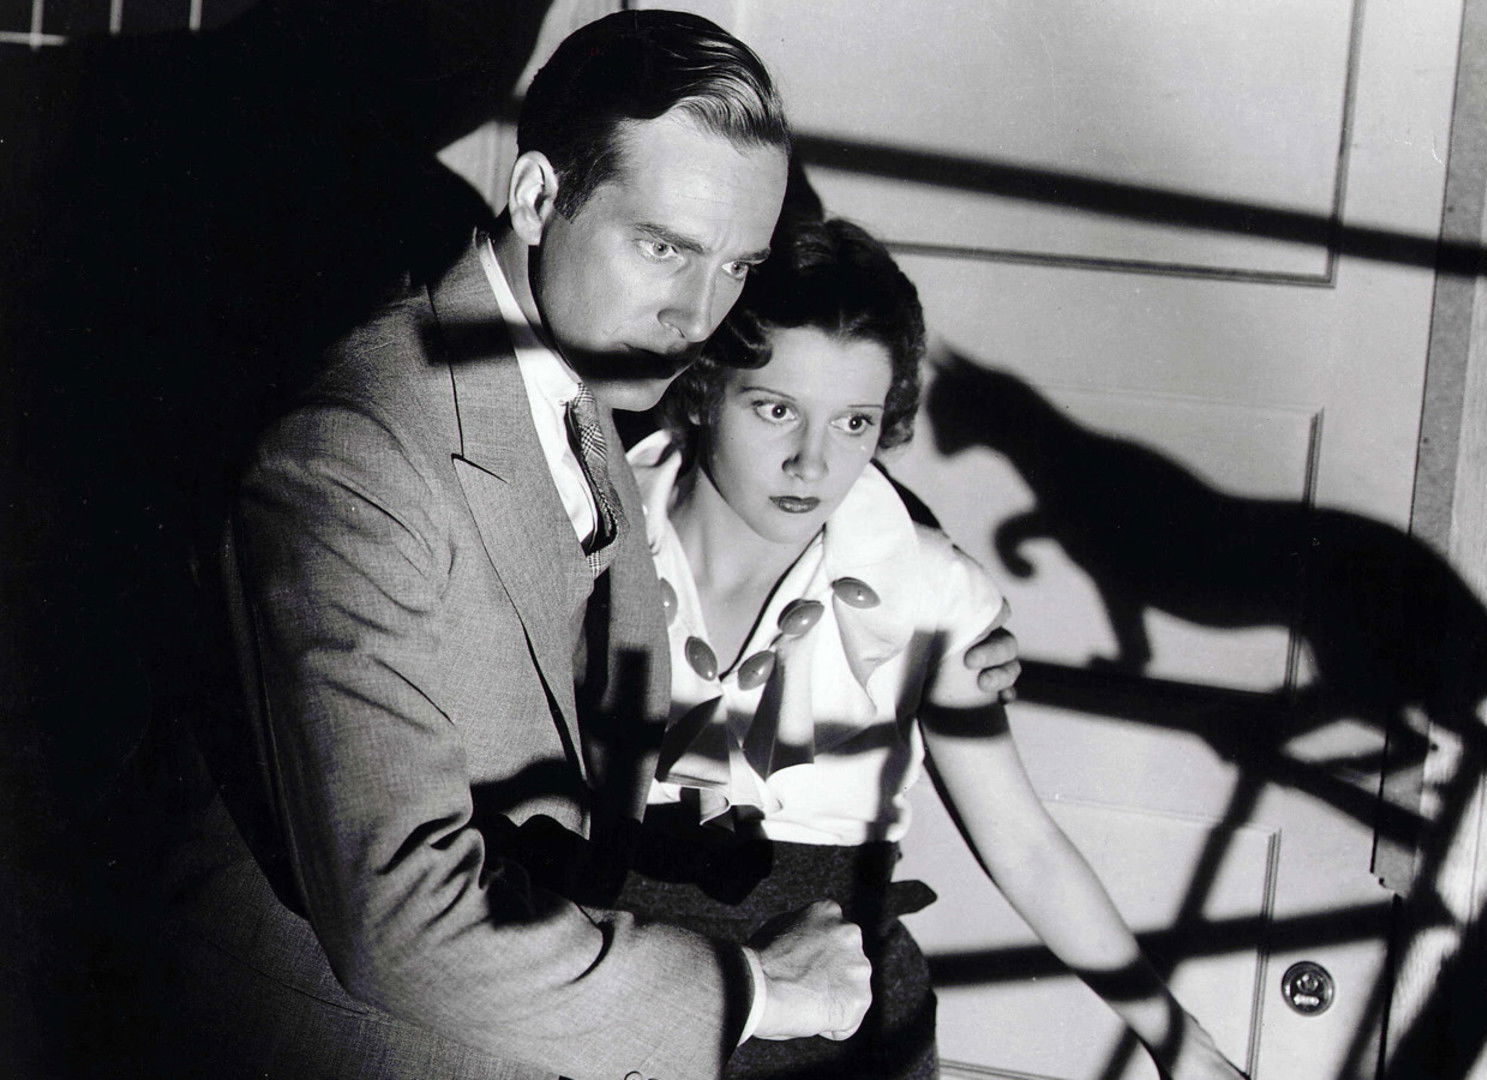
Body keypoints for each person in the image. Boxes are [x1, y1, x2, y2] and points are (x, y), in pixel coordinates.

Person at [166, 12, 1019, 1080]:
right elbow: (404, 924)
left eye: (738, 266)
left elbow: (786, 431)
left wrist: (927, 580)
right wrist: (757, 991)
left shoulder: (580, 361)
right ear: (535, 197)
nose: (698, 314)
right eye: (664, 247)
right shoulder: (358, 459)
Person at [612, 217, 1247, 1080]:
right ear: (701, 389)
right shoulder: (588, 525)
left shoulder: (931, 591)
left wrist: (1176, 1037)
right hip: (611, 980)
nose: (811, 463)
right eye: (776, 409)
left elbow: (1023, 844)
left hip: (839, 1023)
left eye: (854, 422)